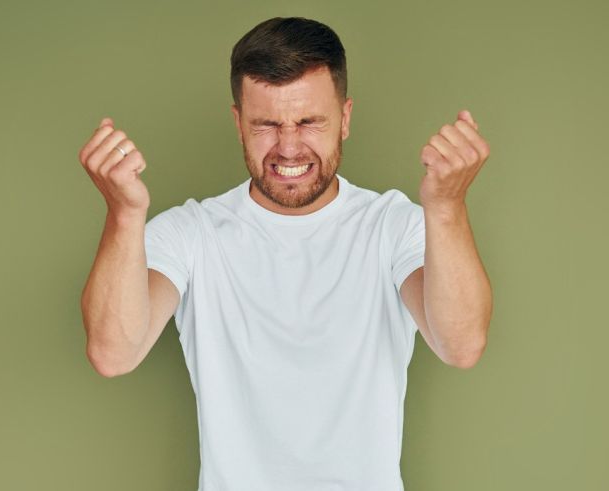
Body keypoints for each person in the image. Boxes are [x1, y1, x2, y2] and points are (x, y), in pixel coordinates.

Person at [78, 16, 492, 491]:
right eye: (266, 125)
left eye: (310, 122)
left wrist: (446, 208)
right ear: (238, 123)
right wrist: (123, 215)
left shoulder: (392, 226)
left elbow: (461, 346)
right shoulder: (192, 232)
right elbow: (113, 354)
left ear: (346, 118)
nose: (289, 146)